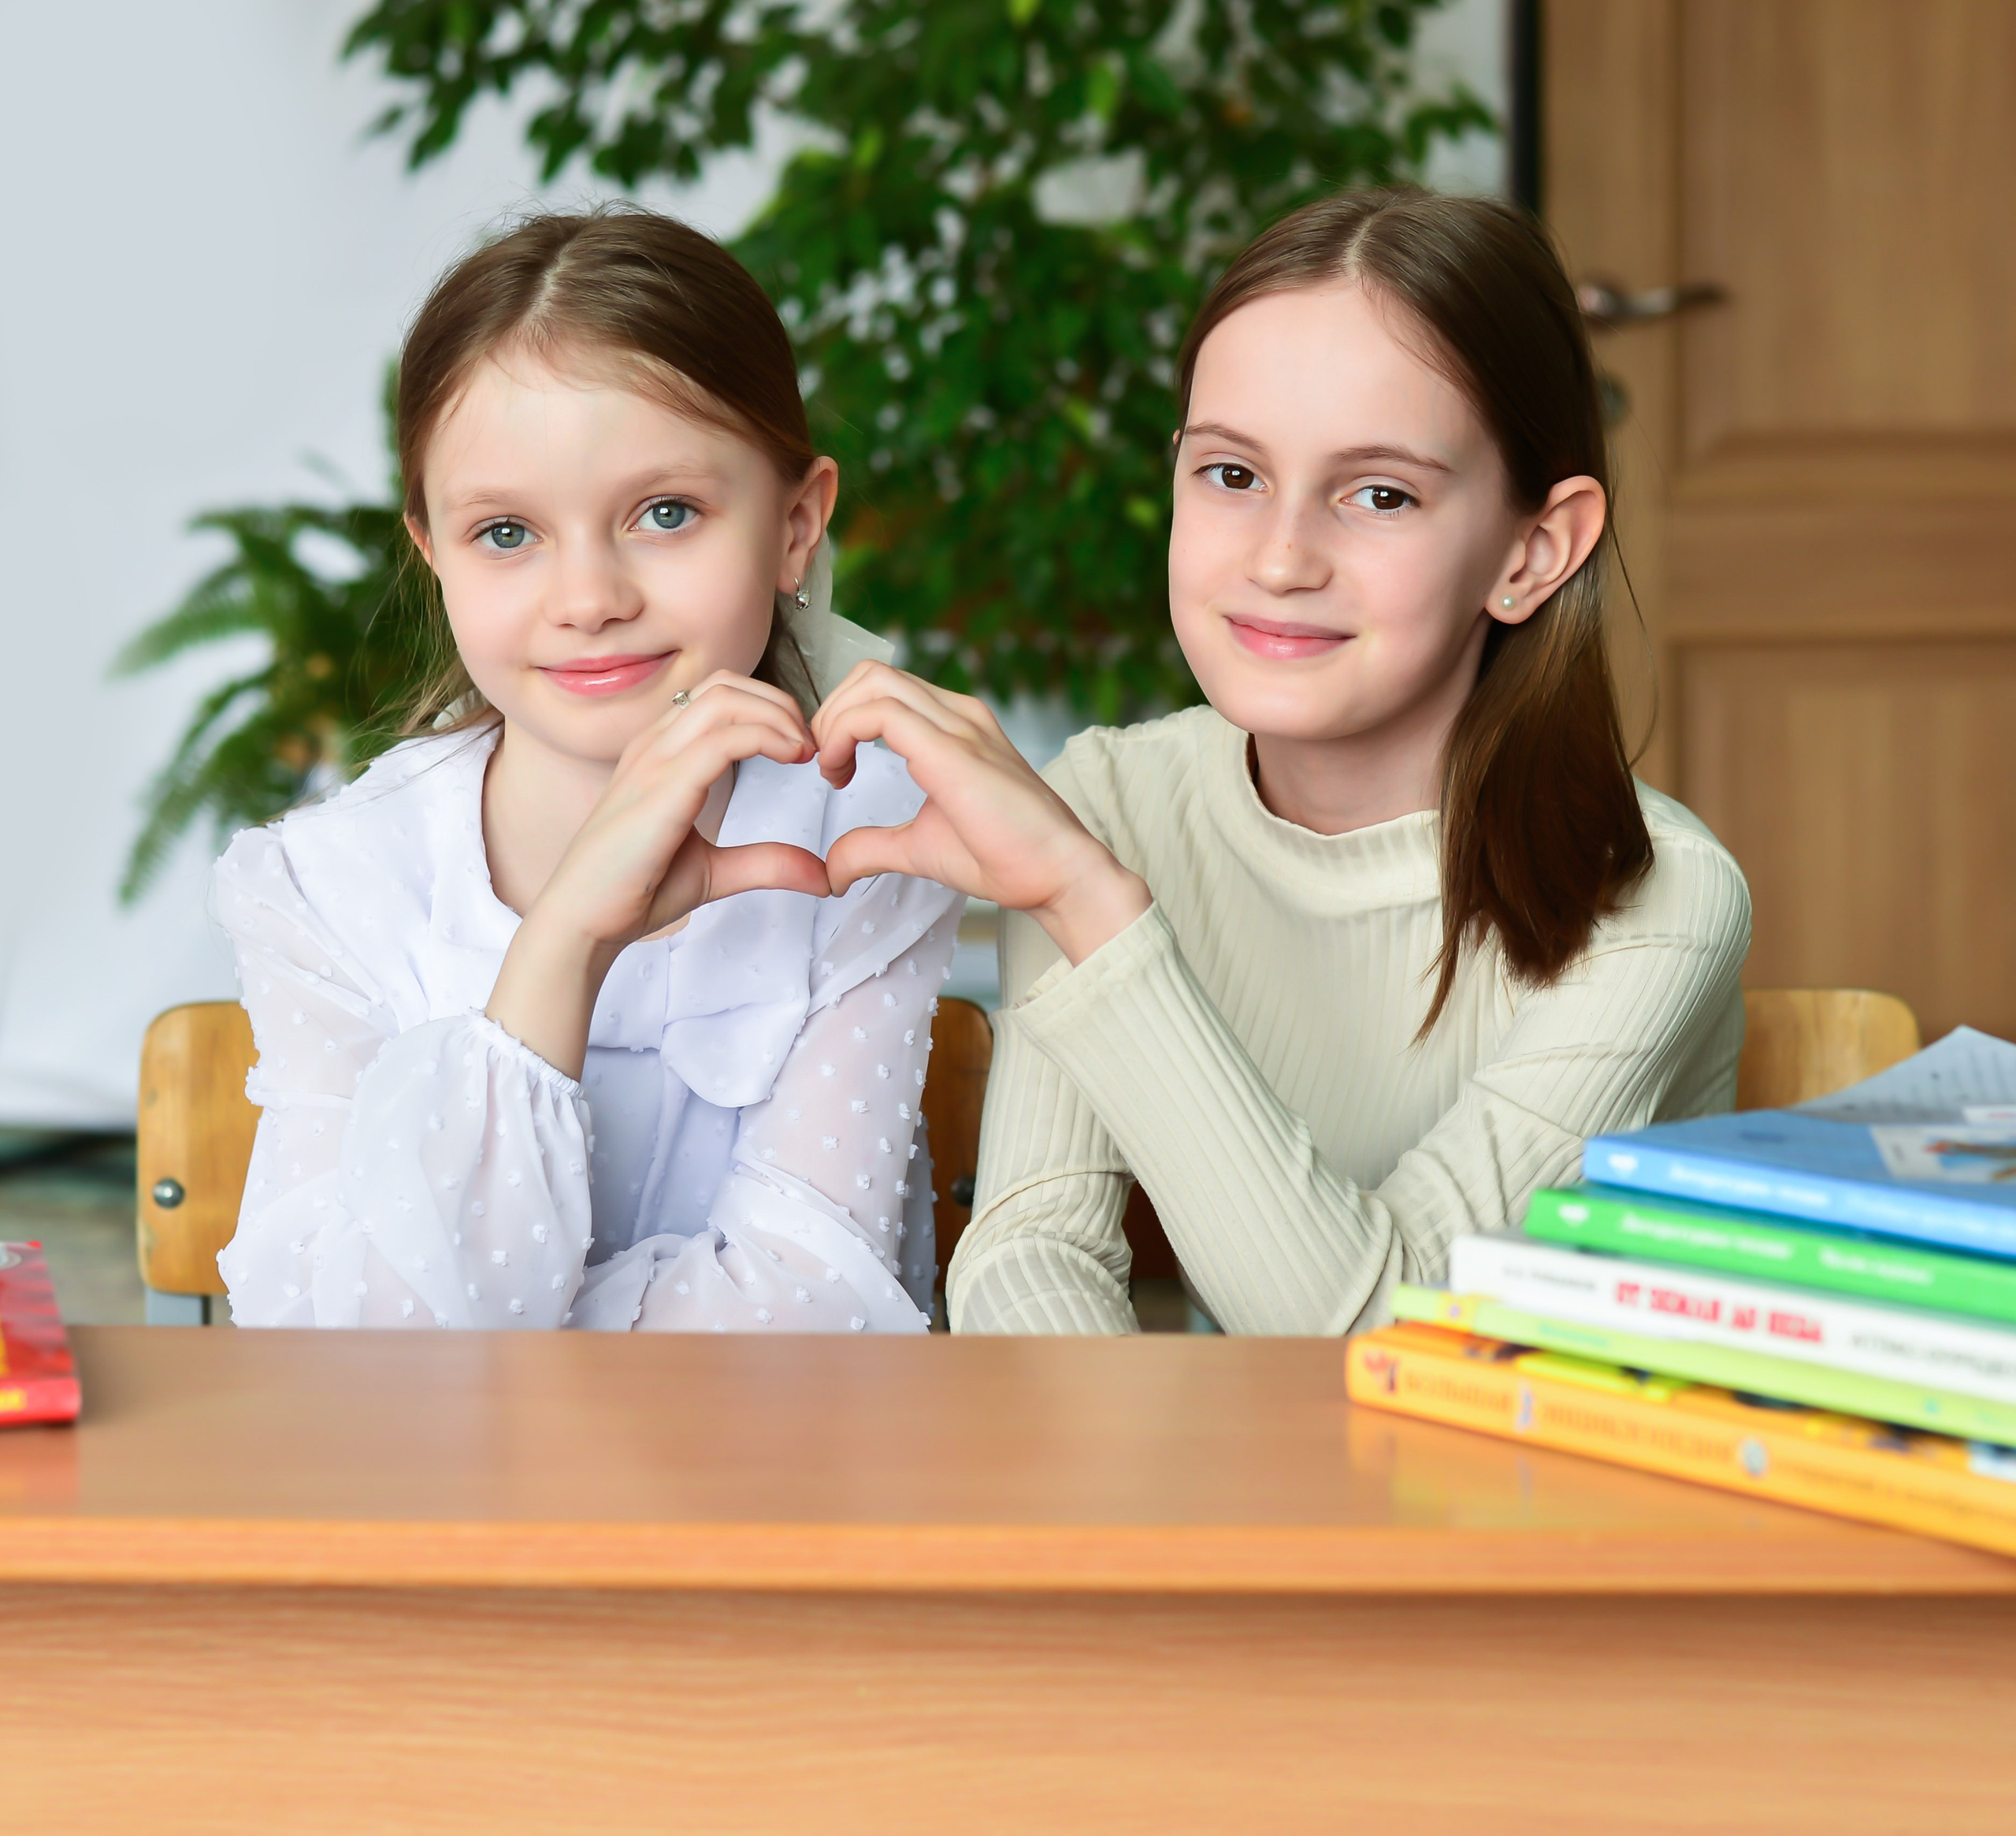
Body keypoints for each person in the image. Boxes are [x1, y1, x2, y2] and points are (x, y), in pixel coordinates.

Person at [811, 188, 1751, 1335]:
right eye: (1232, 474)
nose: (1281, 557)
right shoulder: (1109, 803)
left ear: (1532, 549)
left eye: (1380, 494)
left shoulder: (1660, 895)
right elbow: (1028, 1254)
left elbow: (1369, 1337)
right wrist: (1136, 1517)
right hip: (1234, 1499)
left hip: (1550, 1502)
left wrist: (1090, 904)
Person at [213, 209, 960, 1332]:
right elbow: (347, 1355)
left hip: (763, 1501)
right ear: (434, 554)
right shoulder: (326, 887)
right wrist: (562, 942)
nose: (589, 598)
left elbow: (811, 1316)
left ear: (797, 524)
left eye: (665, 513)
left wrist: (504, 1334)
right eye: (508, 532)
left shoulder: (867, 840)